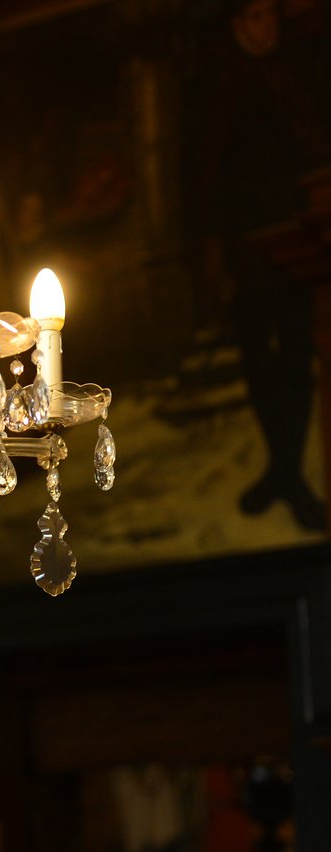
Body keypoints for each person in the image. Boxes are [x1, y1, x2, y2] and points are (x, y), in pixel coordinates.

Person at [199, 0, 331, 529]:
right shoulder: (218, 82)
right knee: (260, 361)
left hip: (302, 236)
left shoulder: (293, 72)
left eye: (272, 16)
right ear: (237, 25)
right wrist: (212, 246)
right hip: (247, 246)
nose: (267, 25)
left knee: (297, 355)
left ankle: (287, 471)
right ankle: (283, 470)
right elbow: (205, 167)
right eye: (256, 17)